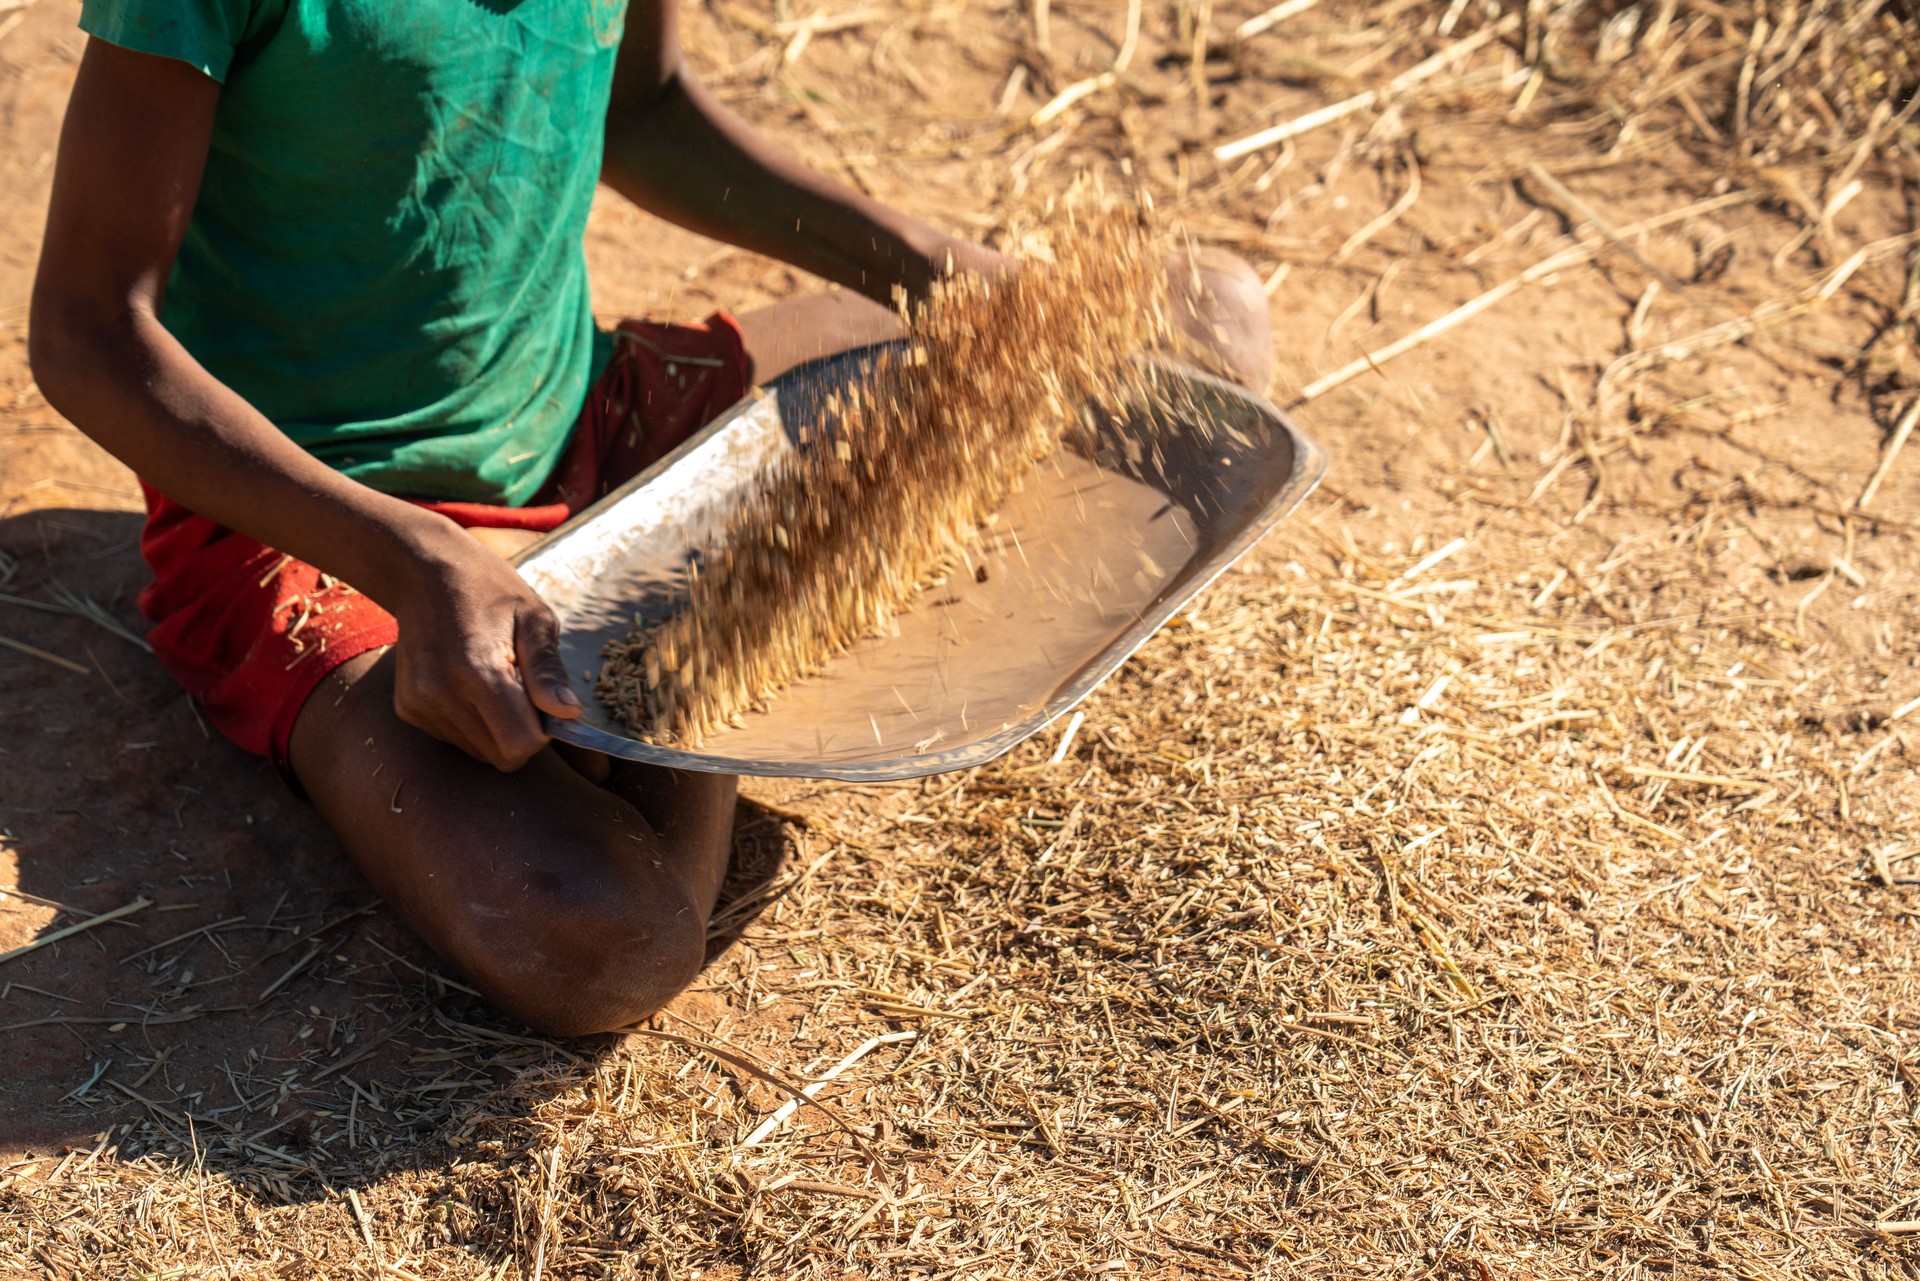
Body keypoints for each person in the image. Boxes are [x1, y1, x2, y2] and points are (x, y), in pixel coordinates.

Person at [30, 0, 1273, 1036]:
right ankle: (702, 664)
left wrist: (926, 265)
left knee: (1194, 320)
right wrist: (411, 559)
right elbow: (89, 337)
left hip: (591, 419)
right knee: (603, 940)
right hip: (319, 530)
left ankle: (676, 637)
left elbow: (646, 112)